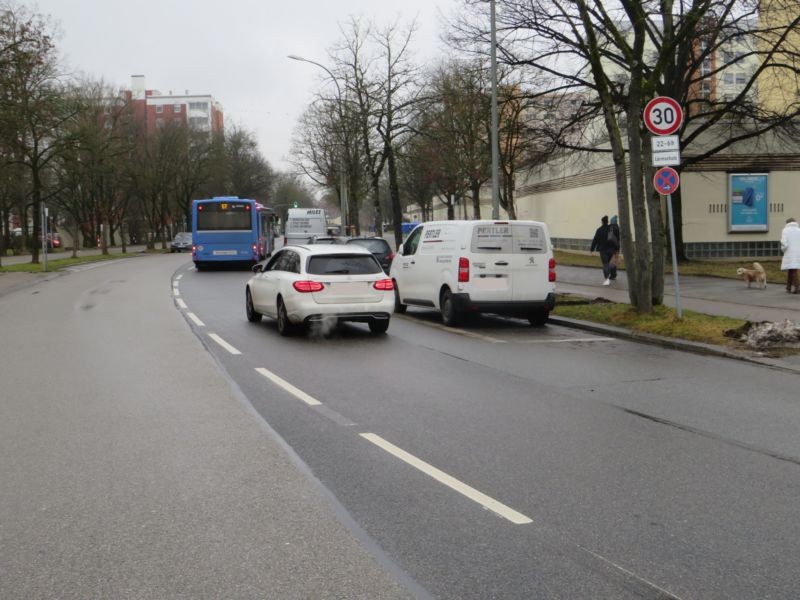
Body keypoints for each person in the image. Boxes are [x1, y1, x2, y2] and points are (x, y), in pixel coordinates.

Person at [590, 215, 621, 285]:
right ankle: (613, 275)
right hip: (611, 249)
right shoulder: (611, 229)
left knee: (605, 264)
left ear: (602, 222)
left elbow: (595, 240)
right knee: (612, 262)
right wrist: (617, 249)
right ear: (607, 222)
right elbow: (616, 239)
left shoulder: (599, 230)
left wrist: (592, 249)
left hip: (603, 250)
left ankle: (607, 278)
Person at [780, 217, 800, 293]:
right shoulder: (799, 230)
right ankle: (788, 287)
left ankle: (797, 288)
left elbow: (784, 243)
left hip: (790, 253)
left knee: (793, 269)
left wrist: (783, 249)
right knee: (791, 269)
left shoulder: (785, 230)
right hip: (798, 252)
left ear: (787, 223)